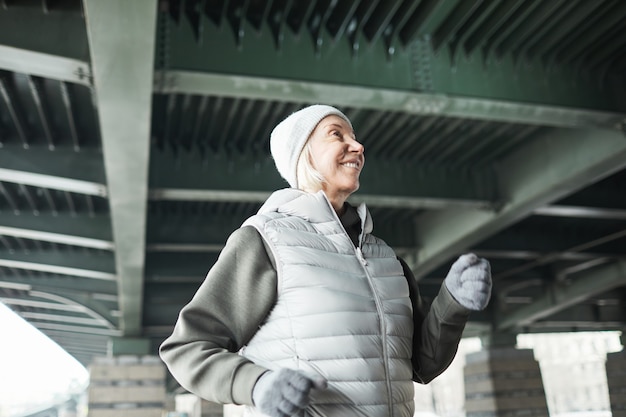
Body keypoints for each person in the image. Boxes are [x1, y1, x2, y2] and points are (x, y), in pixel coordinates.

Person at [159, 104, 492, 417]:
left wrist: (453, 303)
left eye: (355, 137)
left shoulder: (387, 259)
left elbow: (423, 365)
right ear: (304, 154)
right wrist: (257, 384)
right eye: (337, 134)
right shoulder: (265, 241)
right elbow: (187, 348)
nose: (358, 146)